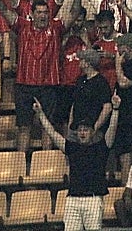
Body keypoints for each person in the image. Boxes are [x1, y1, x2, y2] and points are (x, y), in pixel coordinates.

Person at [33, 92, 119, 231]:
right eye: (80, 130)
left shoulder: (101, 147)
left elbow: (112, 129)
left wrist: (115, 110)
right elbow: (53, 133)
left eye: (86, 130)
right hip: (72, 200)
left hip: (93, 200)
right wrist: (41, 113)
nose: (82, 133)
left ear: (92, 132)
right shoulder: (72, 148)